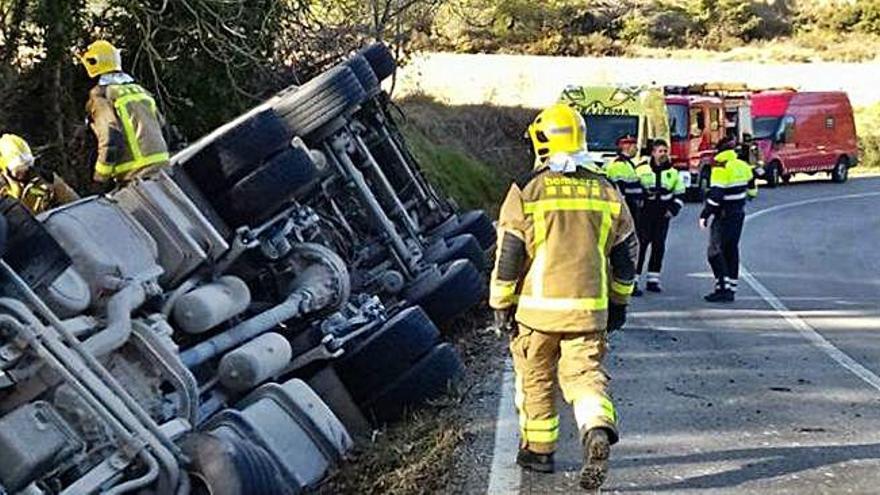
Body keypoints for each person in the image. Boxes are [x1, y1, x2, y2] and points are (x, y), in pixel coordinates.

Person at [489, 103, 638, 490]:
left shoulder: (527, 190)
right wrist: (620, 303)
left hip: (536, 315)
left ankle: (538, 453)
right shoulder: (607, 190)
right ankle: (596, 426)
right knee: (585, 376)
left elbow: (509, 254)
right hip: (589, 313)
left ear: (541, 142)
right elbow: (626, 255)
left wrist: (500, 303)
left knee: (536, 377)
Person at [79, 40, 169, 186]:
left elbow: (111, 137)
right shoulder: (140, 91)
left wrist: (99, 178)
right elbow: (164, 128)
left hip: (136, 177)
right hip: (163, 172)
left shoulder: (101, 97)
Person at [700, 136, 757, 302]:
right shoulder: (742, 165)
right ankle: (731, 287)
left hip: (723, 215)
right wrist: (746, 197)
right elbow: (752, 186)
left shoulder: (721, 167)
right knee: (731, 249)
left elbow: (716, 195)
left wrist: (705, 214)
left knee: (715, 252)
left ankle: (723, 287)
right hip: (738, 213)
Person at [633, 139, 685, 295]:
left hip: (663, 214)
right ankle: (634, 281)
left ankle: (653, 280)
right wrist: (640, 199)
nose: (663, 154)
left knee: (658, 246)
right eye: (660, 151)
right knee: (640, 247)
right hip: (645, 213)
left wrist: (673, 210)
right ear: (653, 153)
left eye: (665, 151)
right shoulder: (641, 170)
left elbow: (680, 194)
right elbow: (634, 188)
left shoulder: (673, 173)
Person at [0, 134, 79, 214]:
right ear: (5, 168)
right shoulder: (3, 189)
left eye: (27, 164)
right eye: (17, 168)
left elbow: (75, 203)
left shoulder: (45, 179)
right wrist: (16, 192)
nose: (24, 170)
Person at [605, 134, 644, 230]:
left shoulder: (628, 163)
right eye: (634, 147)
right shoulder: (618, 165)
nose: (637, 150)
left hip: (632, 205)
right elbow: (619, 190)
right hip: (626, 206)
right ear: (627, 147)